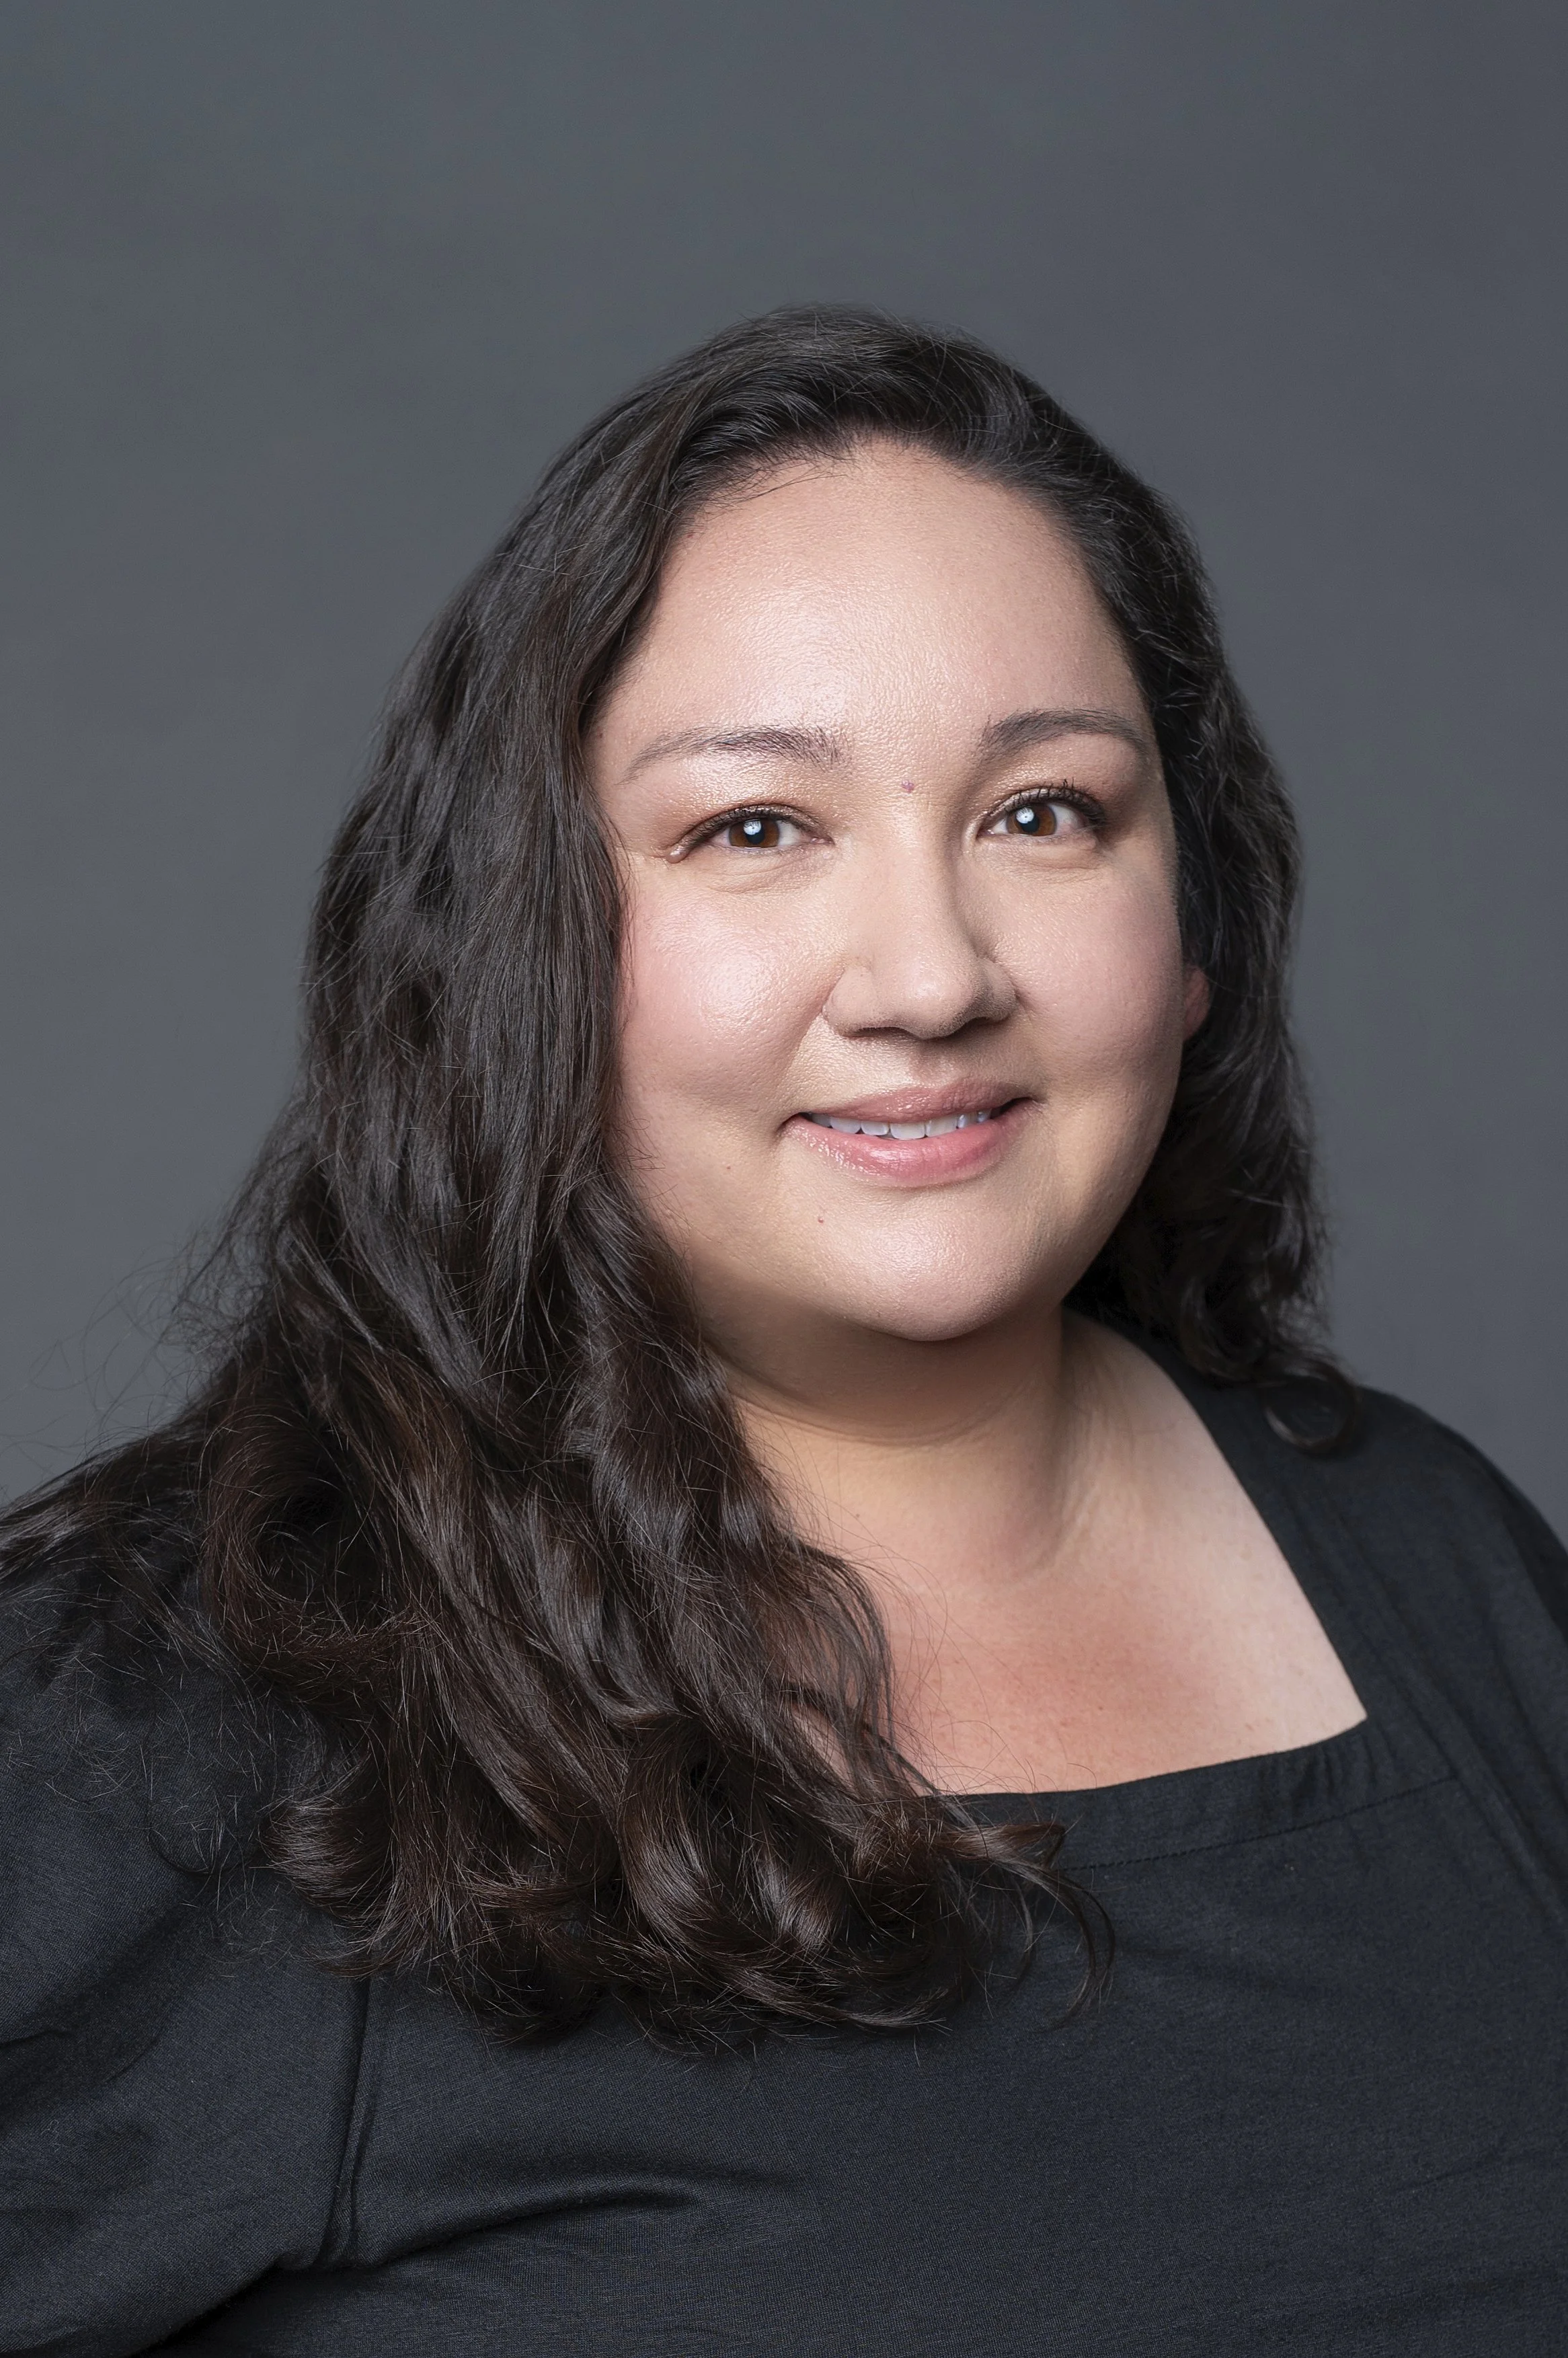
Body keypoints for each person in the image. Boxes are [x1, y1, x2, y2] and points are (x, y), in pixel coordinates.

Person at [3, 307, 1565, 2357]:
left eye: (1044, 812)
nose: (925, 974)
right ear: (524, 949)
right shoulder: (180, 1714)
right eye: (752, 829)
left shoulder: (1435, 1566)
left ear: (1191, 934)